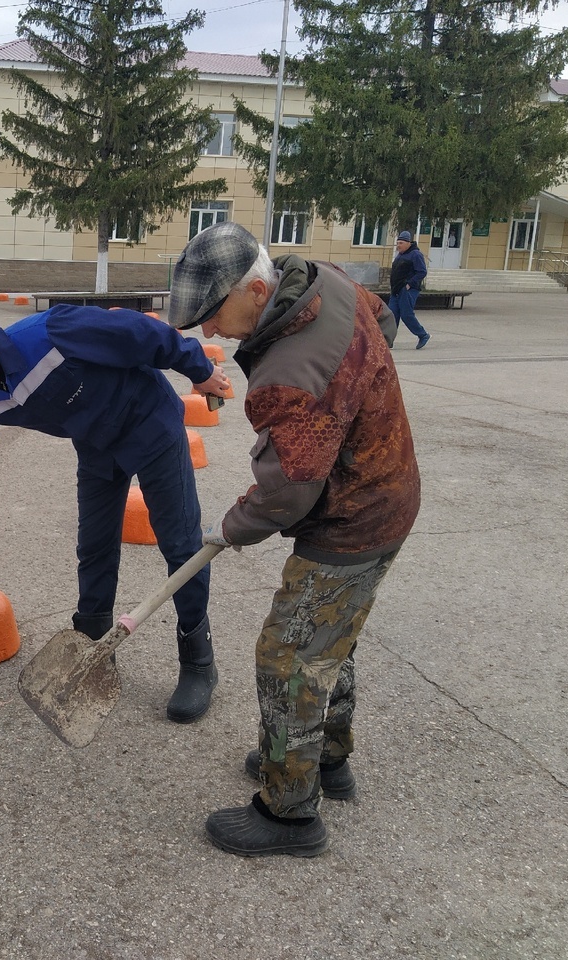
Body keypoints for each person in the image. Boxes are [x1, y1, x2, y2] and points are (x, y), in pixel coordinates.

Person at [167, 221, 420, 857]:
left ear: (256, 289)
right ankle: (326, 762)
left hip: (353, 518)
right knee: (330, 642)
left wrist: (230, 527)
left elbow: (288, 491)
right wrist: (356, 409)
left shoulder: (287, 373)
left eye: (213, 316)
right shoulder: (327, 280)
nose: (208, 334)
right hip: (388, 493)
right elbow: (383, 324)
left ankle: (289, 814)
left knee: (288, 659)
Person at [0, 308, 233, 723]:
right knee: (95, 546)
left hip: (150, 427)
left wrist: (199, 369)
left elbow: (141, 332)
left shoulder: (52, 332)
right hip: (97, 446)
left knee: (179, 544)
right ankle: (92, 648)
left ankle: (198, 661)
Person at [389, 229, 430, 349]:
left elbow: (422, 272)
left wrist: (410, 284)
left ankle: (423, 335)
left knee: (406, 315)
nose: (398, 245)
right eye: (397, 243)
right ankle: (388, 340)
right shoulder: (400, 255)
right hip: (396, 290)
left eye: (401, 243)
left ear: (408, 243)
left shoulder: (415, 254)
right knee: (391, 316)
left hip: (407, 290)